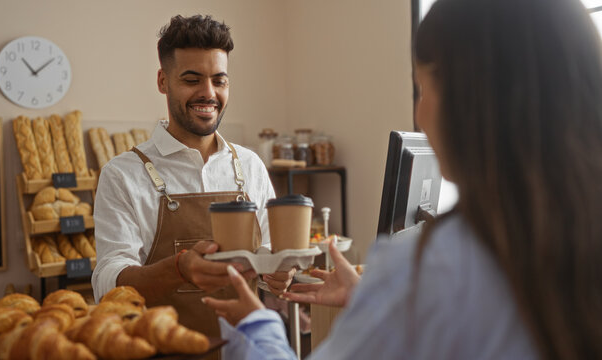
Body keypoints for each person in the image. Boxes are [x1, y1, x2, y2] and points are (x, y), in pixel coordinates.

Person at [203, 0, 602, 358]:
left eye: (422, 90)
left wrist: (259, 326)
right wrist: (379, 303)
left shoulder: (431, 270)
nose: (420, 115)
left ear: (469, 102)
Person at [91, 14, 295, 341]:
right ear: (162, 81)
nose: (208, 93)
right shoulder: (122, 174)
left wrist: (279, 274)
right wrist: (179, 269)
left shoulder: (250, 165)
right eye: (191, 79)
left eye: (219, 80)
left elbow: (270, 252)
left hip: (244, 350)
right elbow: (107, 282)